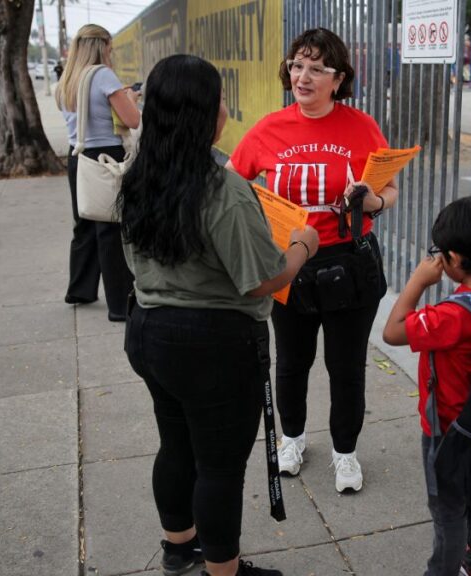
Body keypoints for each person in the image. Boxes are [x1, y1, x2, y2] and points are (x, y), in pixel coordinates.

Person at [119, 54, 320, 576]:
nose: (226, 109)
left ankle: (178, 549)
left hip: (149, 331)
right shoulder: (222, 189)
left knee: (176, 444)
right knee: (220, 466)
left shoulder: (138, 175)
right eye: (220, 99)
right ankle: (223, 572)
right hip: (213, 346)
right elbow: (261, 278)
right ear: (205, 113)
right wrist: (301, 246)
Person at [227, 27, 399, 493]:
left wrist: (371, 202)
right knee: (291, 362)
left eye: (317, 68)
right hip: (289, 264)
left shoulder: (361, 126)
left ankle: (345, 452)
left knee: (346, 366)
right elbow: (231, 183)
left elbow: (389, 188)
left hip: (351, 261)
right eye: (297, 65)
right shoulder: (268, 128)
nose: (303, 76)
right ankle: (294, 439)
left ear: (338, 79)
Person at [382, 195, 471, 576]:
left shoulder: (450, 317)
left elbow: (392, 332)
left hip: (448, 431)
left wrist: (418, 281)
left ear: (454, 260)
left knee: (449, 514)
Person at [55, 24, 139, 322]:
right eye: (110, 47)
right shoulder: (102, 75)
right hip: (106, 158)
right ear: (102, 45)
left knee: (85, 225)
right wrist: (130, 98)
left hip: (77, 156)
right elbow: (131, 119)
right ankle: (120, 306)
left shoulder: (68, 77)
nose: (111, 52)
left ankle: (79, 289)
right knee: (111, 231)